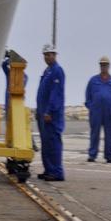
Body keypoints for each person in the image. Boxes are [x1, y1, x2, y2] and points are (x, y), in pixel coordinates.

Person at [36, 43, 65, 181]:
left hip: (52, 115)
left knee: (53, 143)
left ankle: (57, 172)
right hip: (43, 113)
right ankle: (49, 170)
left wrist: (49, 111)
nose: (47, 57)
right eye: (45, 55)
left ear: (55, 55)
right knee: (46, 144)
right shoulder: (47, 71)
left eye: (50, 54)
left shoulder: (57, 71)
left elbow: (56, 94)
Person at [85, 57, 111, 163]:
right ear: (99, 66)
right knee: (94, 133)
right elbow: (88, 96)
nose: (103, 67)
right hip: (96, 112)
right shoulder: (93, 81)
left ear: (109, 66)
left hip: (109, 112)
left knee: (109, 134)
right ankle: (92, 155)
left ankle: (109, 156)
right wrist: (91, 107)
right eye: (102, 65)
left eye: (105, 65)